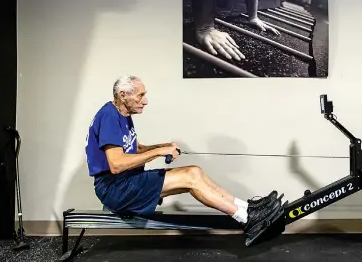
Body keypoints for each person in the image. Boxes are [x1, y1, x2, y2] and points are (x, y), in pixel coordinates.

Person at [85, 75, 283, 239]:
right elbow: (117, 164)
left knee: (194, 171)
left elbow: (135, 148)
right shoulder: (109, 116)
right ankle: (247, 220)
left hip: (127, 182)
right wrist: (158, 152)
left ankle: (248, 209)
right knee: (190, 178)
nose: (145, 101)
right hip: (115, 189)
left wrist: (163, 146)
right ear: (123, 95)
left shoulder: (122, 115)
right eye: (140, 96)